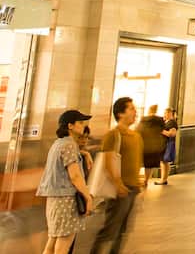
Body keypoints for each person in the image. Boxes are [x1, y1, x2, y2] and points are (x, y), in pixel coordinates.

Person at [37, 109, 93, 254]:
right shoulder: (69, 145)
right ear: (70, 126)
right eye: (80, 122)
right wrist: (88, 197)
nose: (83, 125)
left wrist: (84, 153)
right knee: (63, 246)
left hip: (55, 201)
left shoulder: (58, 143)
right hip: (66, 201)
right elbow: (75, 176)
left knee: (52, 242)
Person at [93, 97, 143, 254]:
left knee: (122, 230)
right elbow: (108, 161)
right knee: (110, 230)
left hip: (132, 188)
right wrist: (118, 183)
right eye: (131, 109)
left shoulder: (136, 136)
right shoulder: (113, 135)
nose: (135, 111)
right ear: (120, 113)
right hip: (120, 189)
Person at [138, 105, 164, 185]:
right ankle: (146, 180)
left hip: (143, 144)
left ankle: (135, 179)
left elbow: (139, 129)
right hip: (154, 146)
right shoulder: (159, 119)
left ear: (149, 109)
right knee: (149, 165)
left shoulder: (143, 119)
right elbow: (162, 129)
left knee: (138, 162)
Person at [159, 107, 178, 183]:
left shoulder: (172, 122)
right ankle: (164, 179)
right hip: (165, 143)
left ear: (170, 113)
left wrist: (161, 131)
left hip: (168, 144)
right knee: (164, 162)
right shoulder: (167, 121)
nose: (164, 115)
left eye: (165, 113)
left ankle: (163, 179)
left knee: (164, 162)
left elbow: (172, 134)